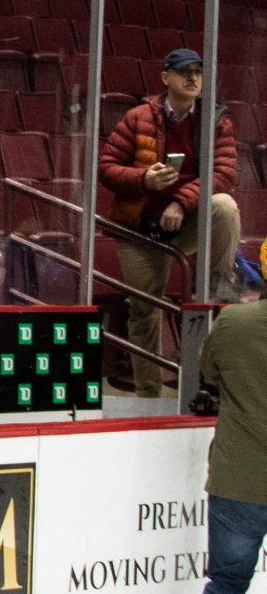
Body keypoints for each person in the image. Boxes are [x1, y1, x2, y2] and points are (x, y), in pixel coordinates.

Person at [98, 48, 241, 397]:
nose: (193, 78)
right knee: (144, 307)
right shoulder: (137, 117)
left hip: (185, 221)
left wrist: (181, 200)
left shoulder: (215, 119)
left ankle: (219, 285)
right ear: (165, 77)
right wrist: (144, 179)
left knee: (224, 205)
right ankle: (149, 393)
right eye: (184, 72)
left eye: (198, 72)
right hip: (139, 227)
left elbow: (224, 173)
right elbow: (106, 168)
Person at [186, 296, 267, 594]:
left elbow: (209, 368)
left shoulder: (233, 321)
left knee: (227, 584)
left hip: (239, 478)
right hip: (242, 478)